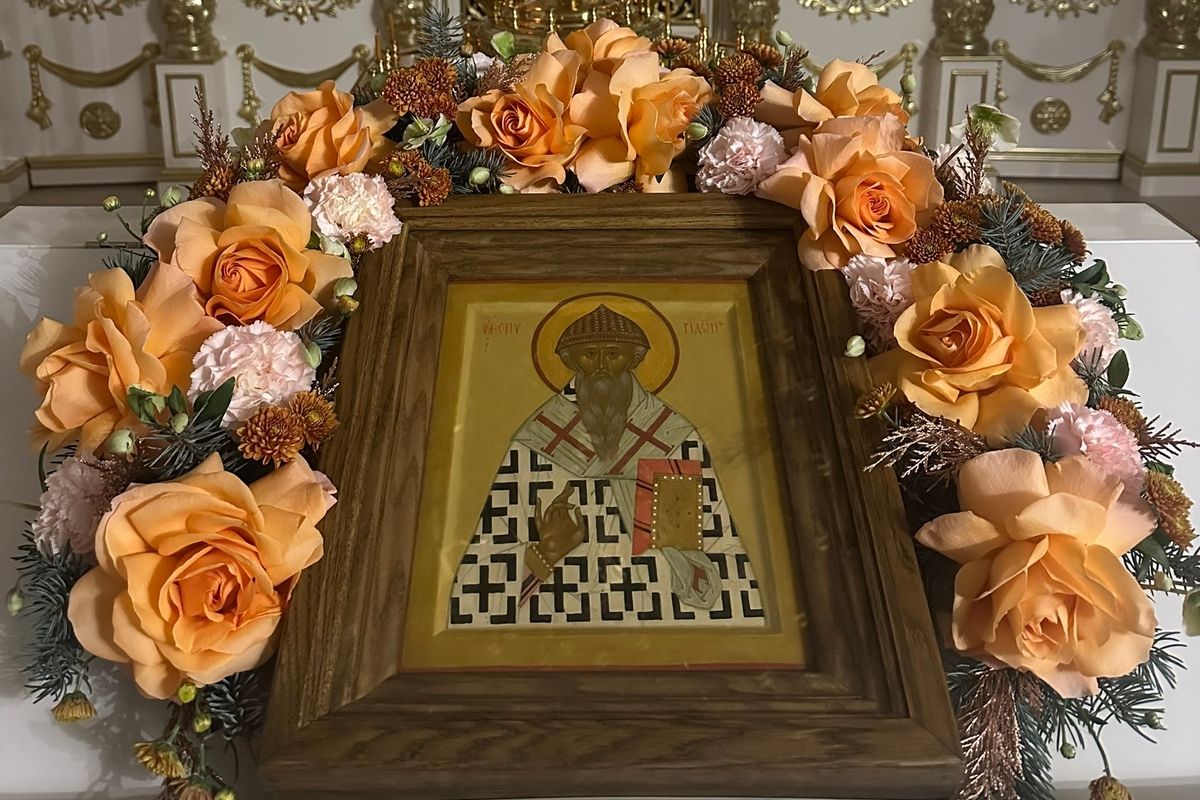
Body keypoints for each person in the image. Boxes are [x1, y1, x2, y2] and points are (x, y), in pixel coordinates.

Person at [449, 304, 764, 628]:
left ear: (634, 359)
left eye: (613, 354)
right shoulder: (535, 443)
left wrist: (681, 556)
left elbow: (723, 559)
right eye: (589, 355)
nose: (601, 366)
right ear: (571, 361)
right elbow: (476, 581)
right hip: (556, 624)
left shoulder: (671, 438)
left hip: (659, 624)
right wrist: (547, 552)